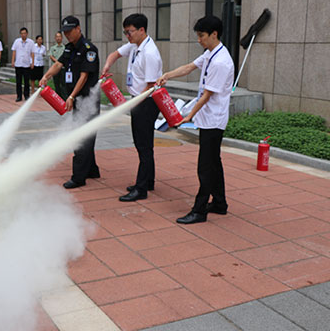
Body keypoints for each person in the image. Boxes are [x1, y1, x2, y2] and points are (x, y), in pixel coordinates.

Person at [156, 15, 234, 225]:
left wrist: (189, 116)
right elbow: (190, 67)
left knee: (205, 166)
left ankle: (199, 211)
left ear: (214, 34)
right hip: (207, 117)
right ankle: (220, 203)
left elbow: (207, 95)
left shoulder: (221, 62)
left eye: (201, 36)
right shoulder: (210, 53)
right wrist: (168, 75)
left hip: (213, 120)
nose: (199, 40)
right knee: (214, 162)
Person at [102, 13, 163, 202]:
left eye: (130, 32)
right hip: (139, 100)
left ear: (141, 30)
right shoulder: (135, 45)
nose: (127, 36)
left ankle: (141, 188)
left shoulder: (150, 53)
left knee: (143, 145)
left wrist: (132, 103)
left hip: (146, 102)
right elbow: (115, 54)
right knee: (144, 144)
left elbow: (151, 85)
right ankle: (148, 181)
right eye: (125, 33)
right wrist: (107, 66)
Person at [39, 16, 100, 189]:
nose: (67, 34)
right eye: (64, 32)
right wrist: (46, 76)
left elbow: (84, 76)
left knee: (81, 136)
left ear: (78, 29)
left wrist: (71, 96)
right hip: (78, 99)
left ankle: (78, 177)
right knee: (86, 133)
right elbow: (59, 64)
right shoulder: (69, 48)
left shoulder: (89, 49)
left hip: (87, 100)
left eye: (70, 31)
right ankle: (92, 170)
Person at [11, 27, 34, 101]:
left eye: (24, 33)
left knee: (26, 81)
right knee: (18, 81)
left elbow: (32, 53)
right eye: (22, 33)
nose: (23, 35)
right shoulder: (17, 41)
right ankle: (19, 96)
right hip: (18, 64)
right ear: (20, 34)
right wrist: (13, 61)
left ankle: (26, 95)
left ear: (27, 34)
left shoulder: (31, 42)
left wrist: (32, 62)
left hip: (26, 64)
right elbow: (14, 51)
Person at [49, 31, 68, 99]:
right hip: (55, 69)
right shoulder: (53, 48)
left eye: (59, 36)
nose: (58, 38)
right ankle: (58, 99)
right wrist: (58, 62)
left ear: (62, 38)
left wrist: (60, 63)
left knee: (63, 84)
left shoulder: (65, 47)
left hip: (63, 68)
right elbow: (51, 56)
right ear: (55, 38)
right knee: (56, 84)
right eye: (57, 37)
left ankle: (64, 99)